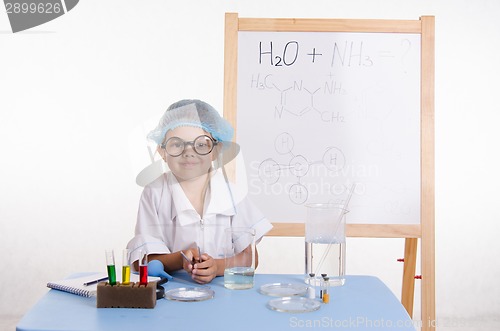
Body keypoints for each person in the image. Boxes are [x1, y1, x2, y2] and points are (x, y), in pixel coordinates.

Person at [127, 99, 272, 284]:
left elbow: (250, 258)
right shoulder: (154, 193)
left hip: (224, 291)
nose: (189, 152)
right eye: (176, 144)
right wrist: (180, 259)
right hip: (173, 290)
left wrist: (217, 267)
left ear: (216, 150)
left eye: (201, 144)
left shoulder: (232, 195)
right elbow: (143, 260)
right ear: (161, 151)